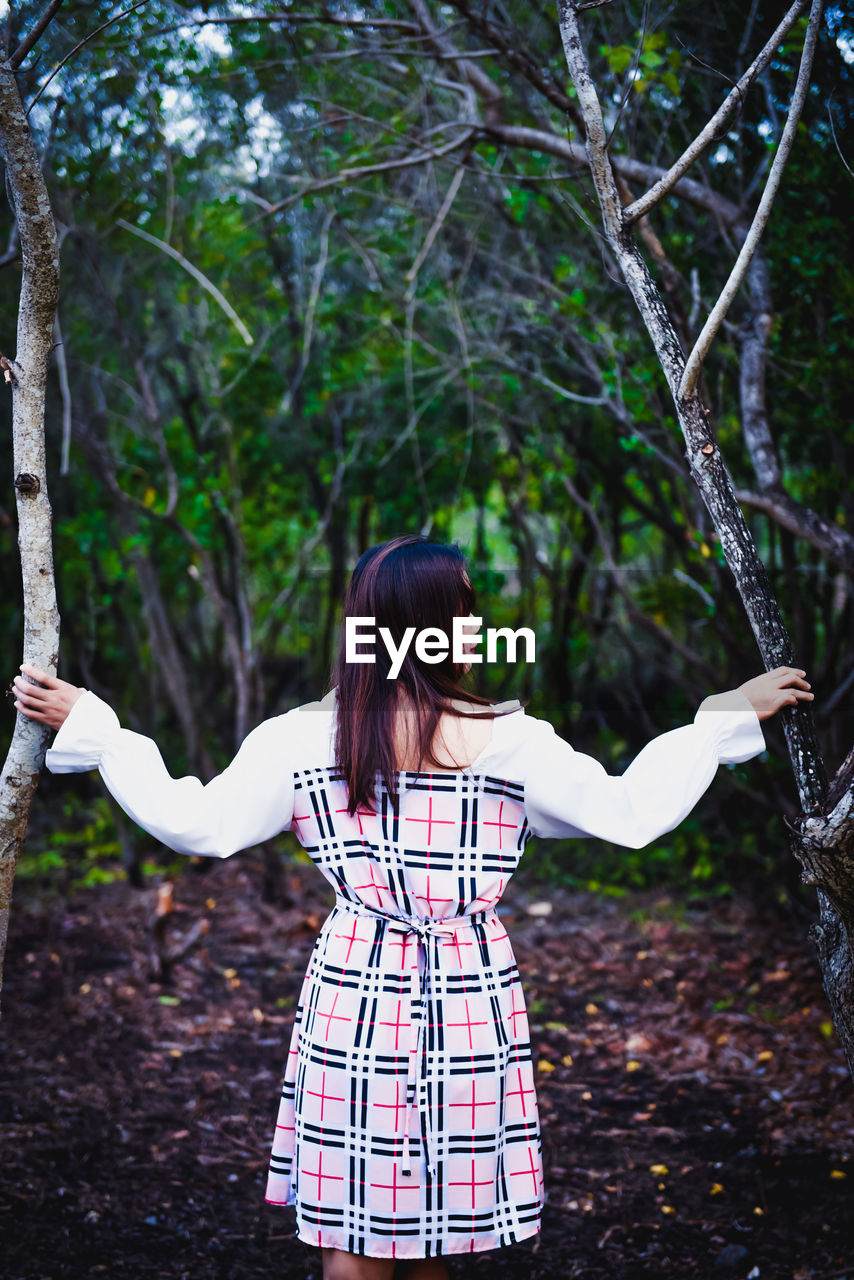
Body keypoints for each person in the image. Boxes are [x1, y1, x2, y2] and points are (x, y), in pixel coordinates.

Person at [11, 534, 813, 1280]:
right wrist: (724, 717)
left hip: (358, 988)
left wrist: (101, 731)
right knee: (430, 1227)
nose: (476, 627)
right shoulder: (509, 741)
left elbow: (200, 825)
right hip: (468, 989)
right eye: (467, 611)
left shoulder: (303, 740)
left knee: (369, 1232)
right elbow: (632, 810)